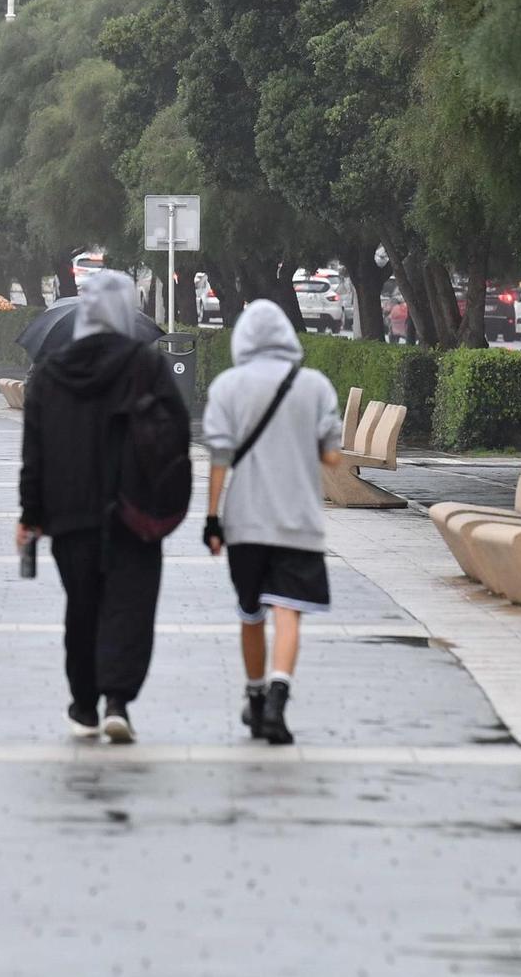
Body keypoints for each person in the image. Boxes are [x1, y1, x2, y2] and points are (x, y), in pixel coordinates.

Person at [16, 271, 188, 744]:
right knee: (128, 606)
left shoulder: (50, 374)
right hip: (135, 511)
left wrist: (30, 515)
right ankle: (118, 700)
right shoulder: (145, 367)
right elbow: (176, 432)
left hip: (69, 514)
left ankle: (84, 704)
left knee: (83, 606)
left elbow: (35, 451)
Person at [201, 299, 344, 747]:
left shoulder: (227, 386)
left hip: (245, 522)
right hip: (299, 520)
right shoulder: (315, 385)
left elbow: (220, 458)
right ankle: (281, 691)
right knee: (287, 610)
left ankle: (256, 695)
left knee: (250, 612)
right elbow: (332, 456)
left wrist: (211, 518)